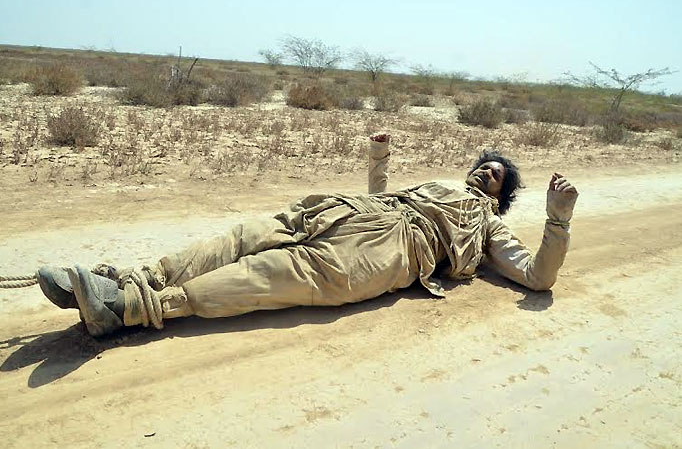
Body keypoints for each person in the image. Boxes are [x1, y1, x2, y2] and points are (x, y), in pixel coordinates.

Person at [37, 135, 578, 337]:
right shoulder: (438, 182)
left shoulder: (492, 226)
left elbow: (538, 277)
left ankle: (127, 309)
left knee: (265, 278)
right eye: (484, 167)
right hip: (352, 211)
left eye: (496, 176)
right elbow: (386, 194)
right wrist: (379, 161)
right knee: (244, 236)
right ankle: (128, 278)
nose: (486, 173)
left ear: (502, 195)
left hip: (390, 253)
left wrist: (557, 219)